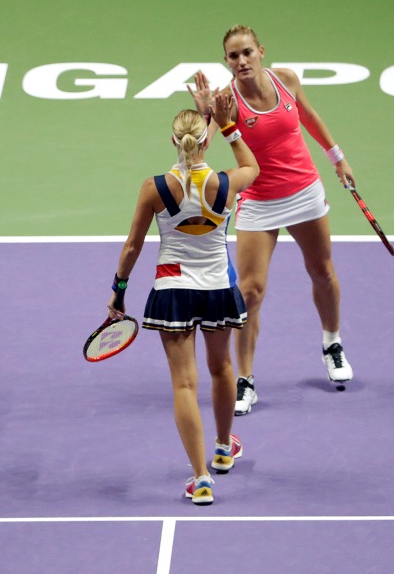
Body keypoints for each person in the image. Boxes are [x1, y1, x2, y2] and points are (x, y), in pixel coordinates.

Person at [188, 25, 356, 416]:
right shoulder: (225, 99)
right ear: (225, 62)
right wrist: (203, 115)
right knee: (249, 293)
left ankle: (332, 342)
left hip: (304, 192)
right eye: (233, 56)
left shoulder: (286, 81)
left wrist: (338, 159)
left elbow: (309, 117)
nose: (242, 61)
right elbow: (201, 148)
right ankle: (245, 380)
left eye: (247, 52)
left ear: (261, 51)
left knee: (322, 272)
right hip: (259, 200)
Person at [106, 92, 259, 505]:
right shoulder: (225, 184)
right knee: (222, 366)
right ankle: (224, 448)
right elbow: (253, 166)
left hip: (173, 291)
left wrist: (119, 291)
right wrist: (226, 123)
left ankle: (201, 477)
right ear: (205, 141)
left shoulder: (154, 188)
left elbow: (132, 247)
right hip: (216, 290)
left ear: (173, 141)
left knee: (184, 384)